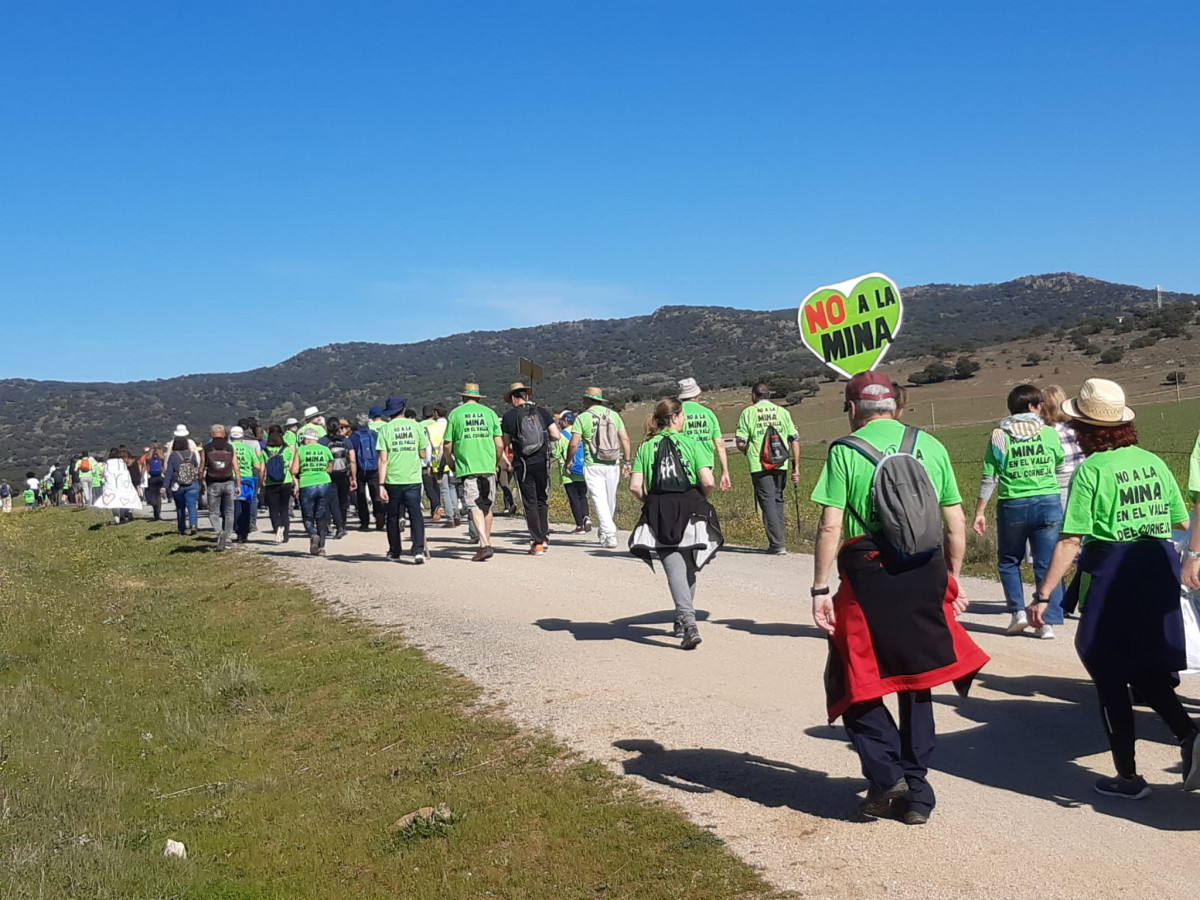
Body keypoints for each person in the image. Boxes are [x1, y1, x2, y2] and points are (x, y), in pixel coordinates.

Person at [810, 372, 988, 825]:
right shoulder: (930, 446)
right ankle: (919, 795)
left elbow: (831, 524)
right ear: (898, 407)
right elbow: (954, 520)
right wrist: (953, 577)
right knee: (918, 677)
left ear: (852, 408)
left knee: (853, 679)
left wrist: (819, 587)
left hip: (869, 574)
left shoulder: (845, 451)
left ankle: (887, 773)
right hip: (925, 570)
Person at [1036, 378, 1200, 799]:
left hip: (1114, 579)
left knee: (1108, 675)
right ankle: (1188, 735)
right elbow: (1181, 521)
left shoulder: (1091, 471)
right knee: (1147, 670)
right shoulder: (1153, 462)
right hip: (1156, 573)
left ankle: (1128, 777)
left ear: (1084, 428)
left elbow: (1072, 540)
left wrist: (1043, 595)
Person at [971, 385, 1066, 638]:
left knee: (1009, 560)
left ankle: (1018, 613)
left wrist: (980, 511)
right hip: (1048, 500)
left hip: (1013, 504)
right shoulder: (1048, 433)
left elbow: (989, 477)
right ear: (1034, 407)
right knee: (1046, 562)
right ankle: (1046, 621)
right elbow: (1058, 461)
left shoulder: (998, 436)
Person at [628, 398, 723, 650]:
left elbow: (635, 486)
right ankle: (687, 622)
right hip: (691, 504)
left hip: (660, 508)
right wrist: (702, 499)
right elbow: (708, 480)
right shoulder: (692, 443)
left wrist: (649, 502)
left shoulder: (646, 447)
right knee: (689, 567)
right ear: (674, 418)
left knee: (674, 570)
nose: (685, 420)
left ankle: (684, 620)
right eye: (682, 416)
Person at [735, 383, 801, 554]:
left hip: (759, 464)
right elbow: (794, 438)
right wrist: (797, 467)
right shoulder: (783, 412)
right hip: (781, 462)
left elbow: (740, 442)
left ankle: (777, 544)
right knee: (778, 499)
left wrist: (747, 451)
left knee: (767, 503)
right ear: (769, 395)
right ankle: (781, 538)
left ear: (753, 395)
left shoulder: (748, 413)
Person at [443, 383, 504, 562]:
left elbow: (447, 444)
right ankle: (486, 540)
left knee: (474, 505)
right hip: (488, 465)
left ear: (463, 398)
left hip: (468, 466)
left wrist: (450, 461)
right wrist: (495, 462)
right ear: (478, 398)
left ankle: (484, 544)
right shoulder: (490, 413)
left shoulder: (455, 414)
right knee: (487, 505)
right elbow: (499, 444)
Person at [568, 387, 632, 549]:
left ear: (588, 400)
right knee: (610, 499)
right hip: (613, 463)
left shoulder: (582, 418)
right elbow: (625, 439)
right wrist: (628, 462)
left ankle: (609, 533)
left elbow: (574, 443)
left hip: (593, 464)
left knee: (598, 499)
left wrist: (570, 460)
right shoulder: (614, 415)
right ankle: (605, 532)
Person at [501, 382, 561, 554]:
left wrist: (507, 460)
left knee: (530, 502)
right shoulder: (541, 411)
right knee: (542, 498)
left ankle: (537, 542)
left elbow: (505, 444)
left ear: (513, 398)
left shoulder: (509, 416)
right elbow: (556, 435)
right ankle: (545, 536)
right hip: (542, 461)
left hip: (523, 464)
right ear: (526, 396)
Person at [378, 402, 429, 564]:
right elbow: (422, 453)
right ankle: (418, 550)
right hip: (413, 478)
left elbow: (383, 460)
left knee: (392, 517)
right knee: (415, 515)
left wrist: (381, 485)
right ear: (404, 410)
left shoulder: (385, 429)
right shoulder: (415, 426)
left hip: (393, 479)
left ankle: (395, 551)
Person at [677, 378, 732, 492]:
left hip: (683, 463)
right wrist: (725, 471)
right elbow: (720, 444)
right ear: (697, 394)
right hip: (706, 462)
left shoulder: (677, 414)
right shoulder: (708, 413)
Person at [290, 430, 334, 556]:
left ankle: (313, 533)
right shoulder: (325, 449)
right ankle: (322, 548)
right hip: (324, 483)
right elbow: (330, 468)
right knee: (321, 515)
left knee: (308, 516)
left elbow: (294, 470)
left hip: (307, 483)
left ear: (306, 439)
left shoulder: (301, 450)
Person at [199, 424, 241, 551]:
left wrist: (201, 482)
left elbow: (201, 468)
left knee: (213, 512)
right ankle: (228, 538)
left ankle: (219, 532)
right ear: (224, 434)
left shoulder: (206, 448)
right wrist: (238, 484)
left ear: (211, 434)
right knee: (229, 512)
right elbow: (236, 467)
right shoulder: (230, 447)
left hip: (213, 483)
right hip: (228, 481)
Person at [348, 412, 384, 531]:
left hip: (359, 470)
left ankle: (364, 522)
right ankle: (379, 515)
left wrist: (352, 475)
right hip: (374, 468)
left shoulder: (353, 437)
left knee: (361, 496)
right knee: (376, 494)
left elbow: (351, 456)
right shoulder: (374, 434)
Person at [554, 411, 590, 532]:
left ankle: (579, 526)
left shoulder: (561, 436)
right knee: (582, 496)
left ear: (565, 421)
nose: (559, 423)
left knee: (573, 498)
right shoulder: (580, 434)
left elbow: (555, 453)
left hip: (567, 472)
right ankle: (586, 516)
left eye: (560, 420)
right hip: (582, 469)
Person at [261, 426, 295, 543]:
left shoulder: (265, 451)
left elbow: (262, 469)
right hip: (285, 481)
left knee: (273, 509)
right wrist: (295, 481)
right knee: (284, 509)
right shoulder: (287, 450)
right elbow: (291, 468)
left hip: (271, 482)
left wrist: (262, 480)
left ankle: (277, 528)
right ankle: (285, 535)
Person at [229, 426, 262, 543]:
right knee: (246, 506)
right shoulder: (248, 449)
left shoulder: (228, 448)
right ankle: (245, 531)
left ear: (230, 436)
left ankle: (237, 531)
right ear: (242, 437)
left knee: (235, 506)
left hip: (232, 478)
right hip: (247, 479)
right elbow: (257, 466)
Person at [96, 446, 143, 525]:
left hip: (111, 485)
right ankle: (122, 516)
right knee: (121, 500)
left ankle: (116, 518)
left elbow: (104, 473)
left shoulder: (108, 463)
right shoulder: (122, 462)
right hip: (122, 485)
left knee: (113, 502)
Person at [163, 436, 200, 535]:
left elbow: (169, 472)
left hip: (178, 484)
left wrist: (165, 486)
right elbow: (196, 466)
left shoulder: (173, 455)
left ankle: (182, 528)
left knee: (180, 507)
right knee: (192, 505)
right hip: (192, 484)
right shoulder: (192, 454)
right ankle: (193, 525)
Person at [325, 417, 353, 539]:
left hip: (329, 475)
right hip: (344, 474)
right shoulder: (346, 441)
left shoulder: (322, 441)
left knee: (331, 501)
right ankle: (342, 526)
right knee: (343, 501)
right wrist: (354, 477)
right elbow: (352, 460)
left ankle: (331, 524)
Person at [421, 404, 446, 521]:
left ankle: (436, 506)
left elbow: (426, 446)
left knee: (429, 487)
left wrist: (427, 462)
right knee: (437, 487)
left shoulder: (419, 426)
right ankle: (435, 511)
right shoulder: (438, 425)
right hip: (440, 461)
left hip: (425, 462)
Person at [144, 441, 167, 521]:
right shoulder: (161, 457)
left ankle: (155, 513)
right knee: (158, 496)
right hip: (160, 477)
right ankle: (159, 513)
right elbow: (163, 466)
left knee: (153, 495)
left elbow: (146, 466)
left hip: (152, 478)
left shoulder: (148, 457)